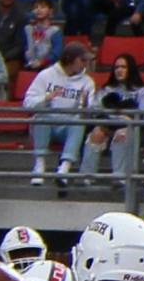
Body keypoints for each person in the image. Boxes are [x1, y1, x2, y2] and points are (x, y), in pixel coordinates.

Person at [24, 41, 96, 184]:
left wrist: (85, 105)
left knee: (78, 121)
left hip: (68, 126)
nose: (85, 64)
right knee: (41, 116)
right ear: (70, 59)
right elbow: (27, 103)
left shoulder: (87, 82)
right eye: (82, 60)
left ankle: (64, 168)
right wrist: (46, 98)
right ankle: (39, 166)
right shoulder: (45, 75)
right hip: (47, 124)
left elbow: (91, 112)